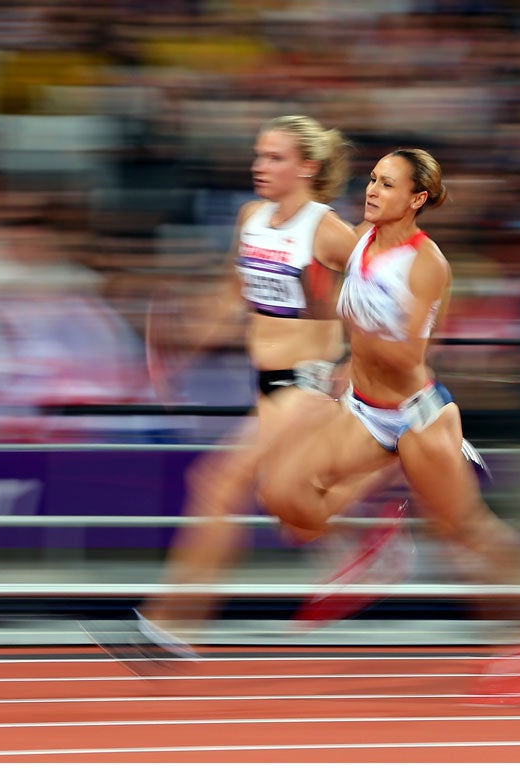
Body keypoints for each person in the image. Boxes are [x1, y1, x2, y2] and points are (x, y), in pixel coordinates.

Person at [255, 147, 520, 700]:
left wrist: (348, 343)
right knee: (285, 494)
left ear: (417, 198)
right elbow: (314, 257)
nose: (372, 191)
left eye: (387, 184)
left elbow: (407, 356)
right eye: (372, 180)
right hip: (363, 409)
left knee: (464, 533)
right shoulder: (359, 241)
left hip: (417, 417)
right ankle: (380, 549)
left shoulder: (428, 264)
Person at [129, 115, 405, 657]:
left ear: (307, 167)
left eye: (274, 157)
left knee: (216, 484)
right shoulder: (251, 217)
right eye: (258, 155)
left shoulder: (325, 230)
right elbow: (237, 292)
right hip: (267, 386)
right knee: (293, 518)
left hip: (308, 387)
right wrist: (186, 344)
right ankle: (372, 538)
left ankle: (173, 624)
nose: (260, 166)